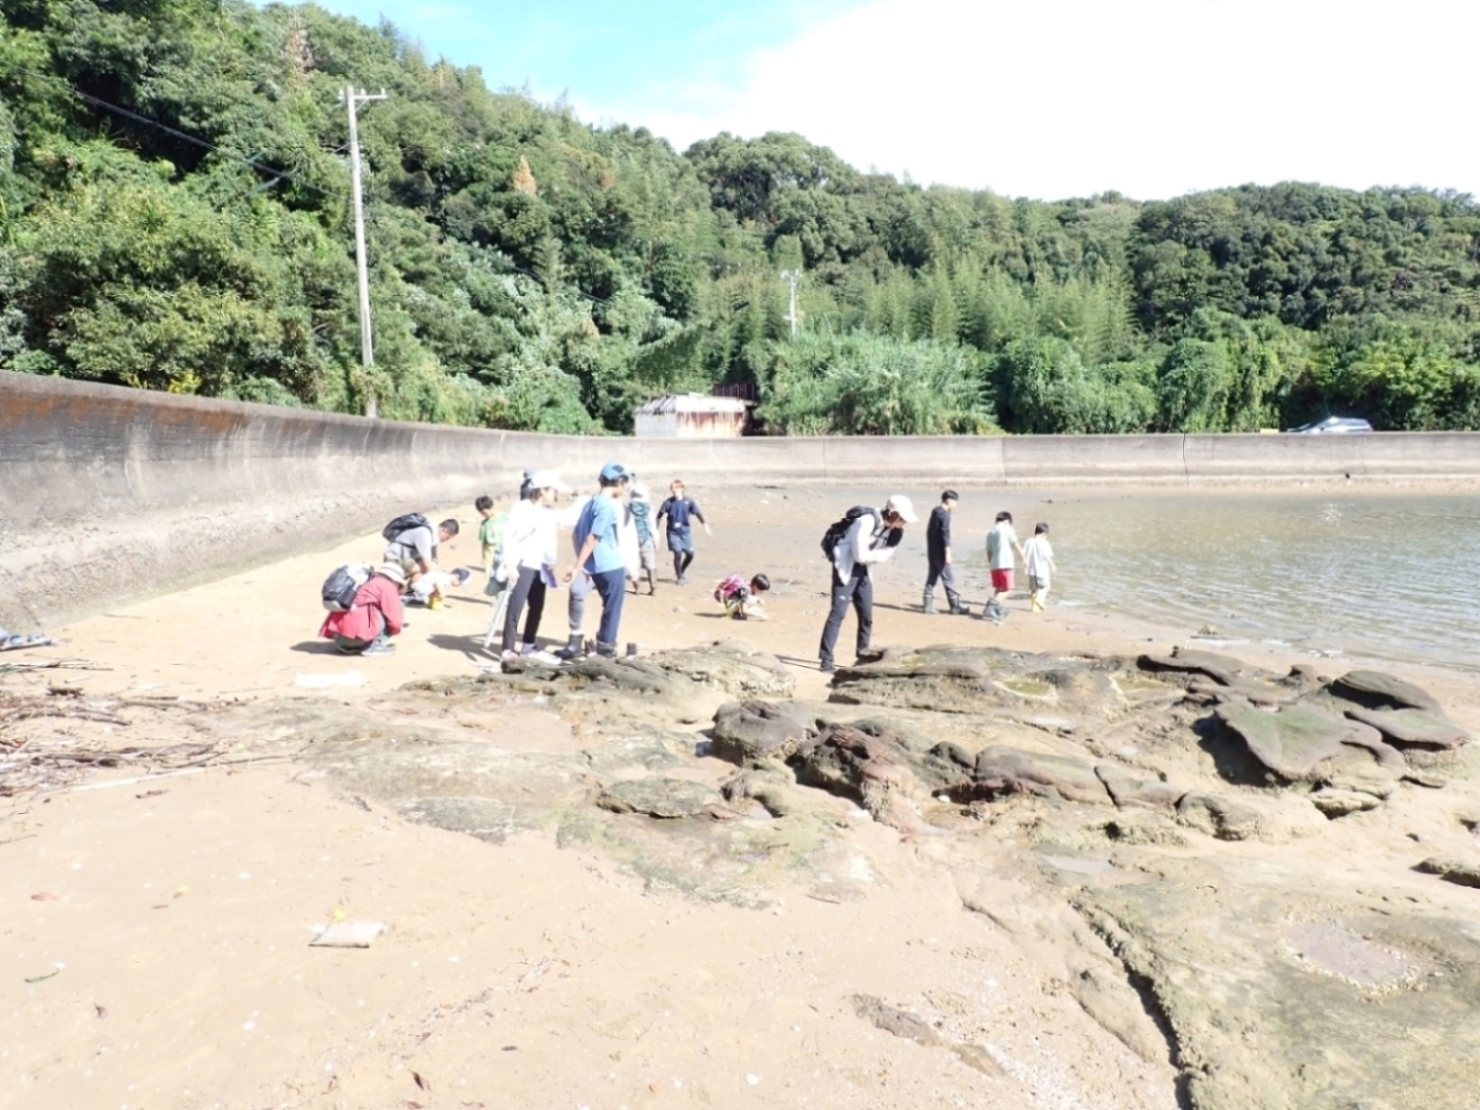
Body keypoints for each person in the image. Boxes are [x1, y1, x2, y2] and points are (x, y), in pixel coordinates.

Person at [818, 496, 917, 673]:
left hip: (865, 572)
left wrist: (874, 557)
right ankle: (826, 659)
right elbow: (859, 555)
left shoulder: (896, 532)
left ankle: (863, 657)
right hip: (845, 569)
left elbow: (886, 556)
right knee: (837, 614)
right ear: (892, 513)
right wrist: (876, 556)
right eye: (902, 518)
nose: (904, 523)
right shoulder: (865, 522)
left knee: (866, 617)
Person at [497, 471, 570, 661]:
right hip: (523, 564)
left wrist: (552, 560)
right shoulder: (521, 507)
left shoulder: (548, 512)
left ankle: (528, 645)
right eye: (553, 491)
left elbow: (550, 539)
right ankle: (507, 649)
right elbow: (509, 536)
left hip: (541, 566)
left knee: (537, 607)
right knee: (516, 606)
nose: (556, 495)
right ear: (542, 491)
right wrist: (509, 563)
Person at [568, 462, 631, 656]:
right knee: (612, 610)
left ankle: (598, 646)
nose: (626, 488)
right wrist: (577, 567)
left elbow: (575, 534)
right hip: (611, 566)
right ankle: (606, 650)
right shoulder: (607, 506)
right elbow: (591, 538)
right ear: (619, 482)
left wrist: (583, 564)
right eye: (625, 483)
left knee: (608, 609)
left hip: (593, 567)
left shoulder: (590, 503)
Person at [318, 563, 405, 656]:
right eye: (399, 586)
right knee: (397, 606)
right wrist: (393, 631)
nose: (398, 589)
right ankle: (372, 646)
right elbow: (394, 621)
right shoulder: (387, 585)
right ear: (395, 581)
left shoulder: (362, 579)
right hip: (359, 635)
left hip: (338, 637)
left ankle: (348, 647)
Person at [385, 516, 461, 608]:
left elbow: (433, 559)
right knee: (425, 569)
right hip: (395, 557)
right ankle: (397, 592)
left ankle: (409, 594)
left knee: (430, 569)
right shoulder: (426, 534)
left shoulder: (433, 533)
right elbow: (427, 564)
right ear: (444, 530)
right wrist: (438, 586)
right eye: (448, 537)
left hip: (406, 556)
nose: (446, 540)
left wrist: (436, 572)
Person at [656, 479, 711, 584]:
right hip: (672, 533)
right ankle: (679, 577)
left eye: (676, 488)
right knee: (677, 553)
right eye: (672, 488)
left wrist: (705, 526)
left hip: (685, 532)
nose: (674, 490)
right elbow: (658, 516)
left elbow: (698, 513)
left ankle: (681, 570)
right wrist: (656, 530)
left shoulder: (689, 501)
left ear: (682, 489)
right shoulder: (668, 502)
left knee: (690, 554)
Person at [923, 489, 968, 616]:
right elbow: (945, 534)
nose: (956, 505)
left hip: (932, 552)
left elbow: (930, 533)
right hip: (940, 553)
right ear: (949, 501)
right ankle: (955, 607)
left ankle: (927, 606)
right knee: (949, 579)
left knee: (931, 578)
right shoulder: (945, 515)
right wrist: (948, 552)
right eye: (955, 502)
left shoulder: (935, 511)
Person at [984, 511, 1025, 624]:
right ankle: (991, 606)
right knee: (1009, 588)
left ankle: (995, 610)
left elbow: (989, 552)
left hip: (994, 565)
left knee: (999, 588)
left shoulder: (990, 533)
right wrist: (1024, 558)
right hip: (1006, 564)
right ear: (1007, 521)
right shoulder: (1007, 529)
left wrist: (991, 564)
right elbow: (1015, 544)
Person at [628, 482, 658, 595]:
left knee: (634, 564)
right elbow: (652, 526)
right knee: (650, 564)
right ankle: (653, 587)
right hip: (646, 538)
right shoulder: (648, 509)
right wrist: (656, 540)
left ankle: (637, 588)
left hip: (632, 539)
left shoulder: (628, 509)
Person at [1023, 522, 1057, 612]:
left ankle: (1034, 606)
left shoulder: (1028, 542)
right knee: (1045, 587)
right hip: (1041, 571)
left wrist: (1024, 561)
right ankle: (1039, 600)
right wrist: (1052, 565)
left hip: (1030, 571)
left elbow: (1024, 554)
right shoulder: (1044, 543)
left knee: (1033, 589)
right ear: (1044, 534)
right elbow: (1046, 556)